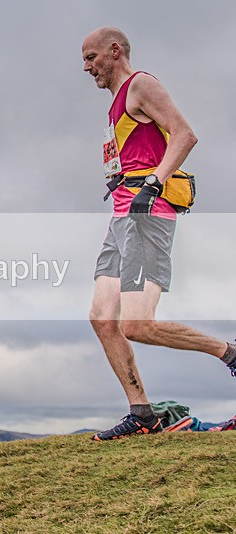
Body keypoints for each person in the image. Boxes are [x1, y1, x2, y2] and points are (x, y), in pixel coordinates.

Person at [82, 27, 236, 441]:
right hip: (122, 215)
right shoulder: (117, 102)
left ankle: (230, 353)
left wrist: (152, 183)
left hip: (147, 213)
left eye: (92, 57)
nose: (86, 67)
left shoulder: (140, 85)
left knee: (136, 324)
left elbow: (185, 134)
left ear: (115, 51)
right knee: (102, 318)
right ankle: (143, 414)